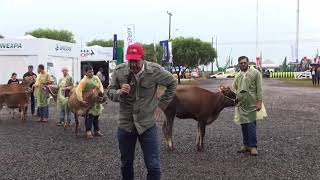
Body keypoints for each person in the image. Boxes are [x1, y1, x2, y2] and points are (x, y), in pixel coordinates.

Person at [107, 43, 177, 180]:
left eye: (136, 61)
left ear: (142, 58)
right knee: (126, 163)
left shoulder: (155, 71)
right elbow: (109, 91)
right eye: (130, 60)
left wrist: (161, 105)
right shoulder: (120, 71)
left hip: (147, 124)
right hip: (126, 125)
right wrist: (119, 92)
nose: (132, 64)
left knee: (153, 165)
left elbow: (172, 83)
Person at [233, 56, 267, 156]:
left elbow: (259, 88)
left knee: (251, 125)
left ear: (248, 63)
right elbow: (235, 87)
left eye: (244, 62)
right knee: (243, 124)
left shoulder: (255, 73)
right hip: (241, 104)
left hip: (252, 103)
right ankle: (246, 145)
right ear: (239, 64)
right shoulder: (238, 75)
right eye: (241, 63)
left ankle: (253, 146)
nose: (243, 64)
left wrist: (259, 101)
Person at [75, 65, 104, 139]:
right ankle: (88, 132)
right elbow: (78, 90)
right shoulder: (84, 81)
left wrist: (101, 93)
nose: (91, 73)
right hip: (88, 101)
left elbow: (100, 85)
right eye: (89, 72)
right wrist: (81, 100)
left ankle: (97, 131)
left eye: (92, 71)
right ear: (85, 73)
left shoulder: (96, 77)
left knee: (96, 116)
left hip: (96, 101)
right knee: (90, 116)